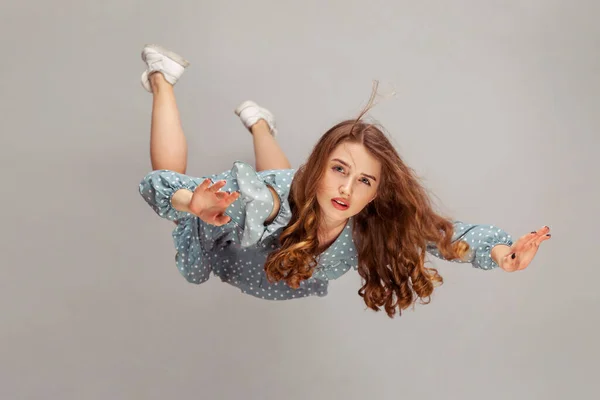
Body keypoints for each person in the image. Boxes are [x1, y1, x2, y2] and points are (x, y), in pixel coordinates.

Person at [138, 44, 551, 318]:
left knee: (287, 184)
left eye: (364, 181)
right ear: (319, 166)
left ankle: (260, 124)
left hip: (287, 207)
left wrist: (501, 252)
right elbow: (157, 187)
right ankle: (162, 78)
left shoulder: (370, 223)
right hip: (230, 224)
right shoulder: (263, 202)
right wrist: (191, 203)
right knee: (195, 182)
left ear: (376, 192)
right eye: (339, 169)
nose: (347, 190)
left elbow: (446, 237)